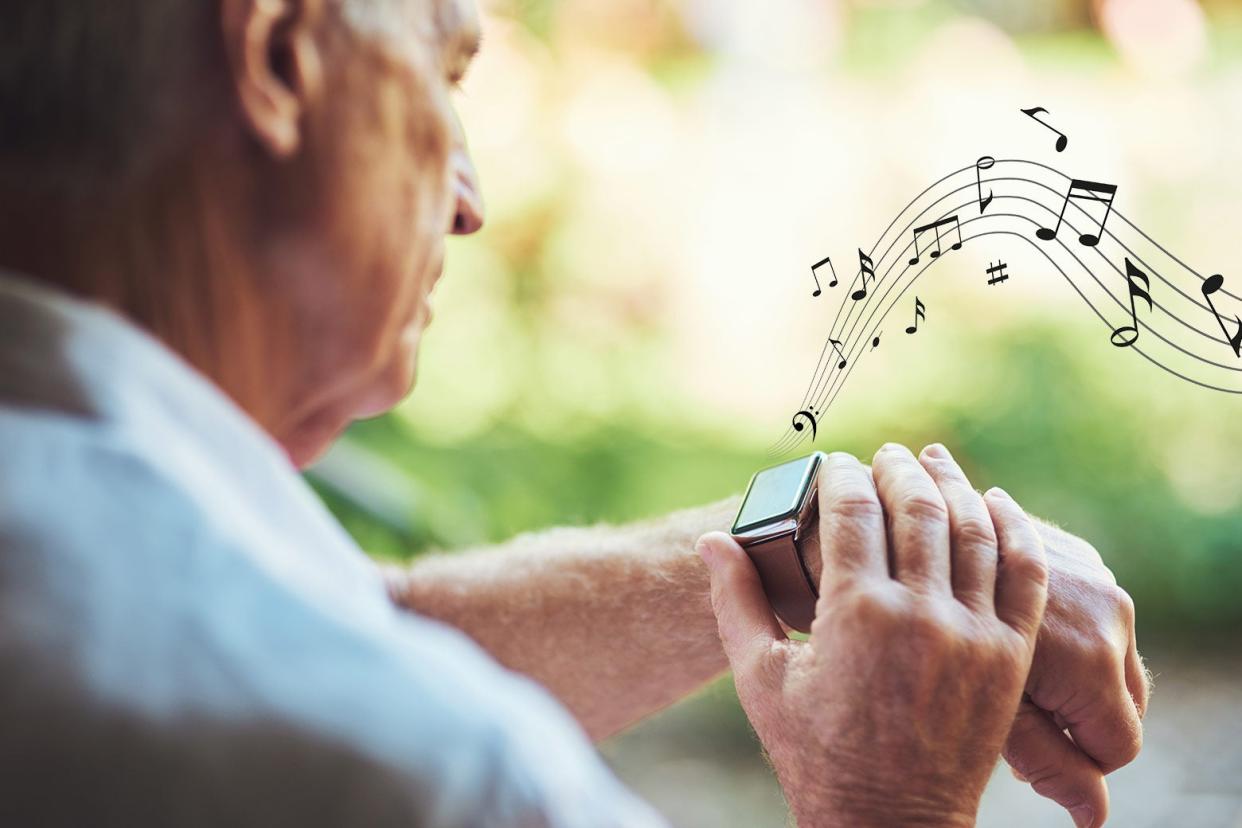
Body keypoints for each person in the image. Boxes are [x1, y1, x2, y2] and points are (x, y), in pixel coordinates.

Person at [0, 0, 1146, 825]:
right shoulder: (423, 771)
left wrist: (822, 543)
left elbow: (351, 618)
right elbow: (326, 675)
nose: (470, 200)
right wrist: (890, 796)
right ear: (283, 54)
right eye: (445, 76)